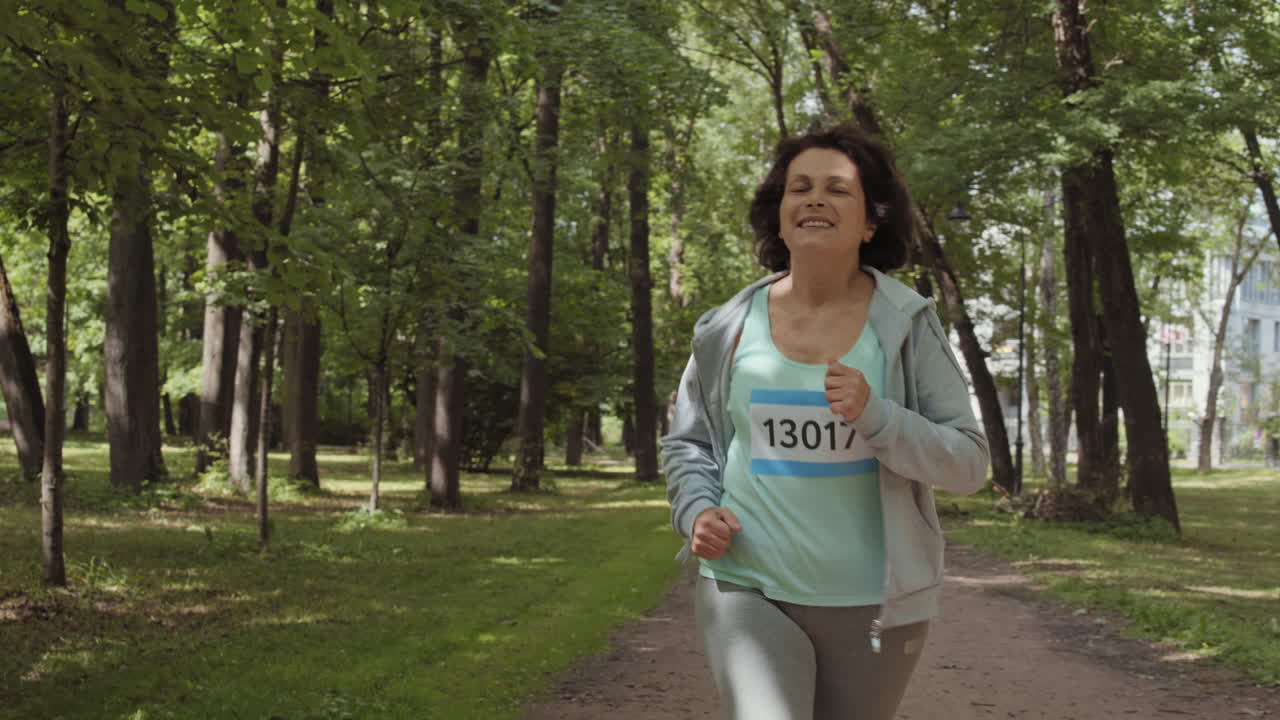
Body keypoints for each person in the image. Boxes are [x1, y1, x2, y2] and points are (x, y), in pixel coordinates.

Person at [660, 124, 989, 720]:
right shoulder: (725, 329)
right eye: (799, 188)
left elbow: (968, 463)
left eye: (838, 190)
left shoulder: (906, 325)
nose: (814, 198)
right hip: (746, 582)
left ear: (870, 223)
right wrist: (696, 510)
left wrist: (878, 416)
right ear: (780, 218)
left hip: (876, 602)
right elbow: (689, 444)